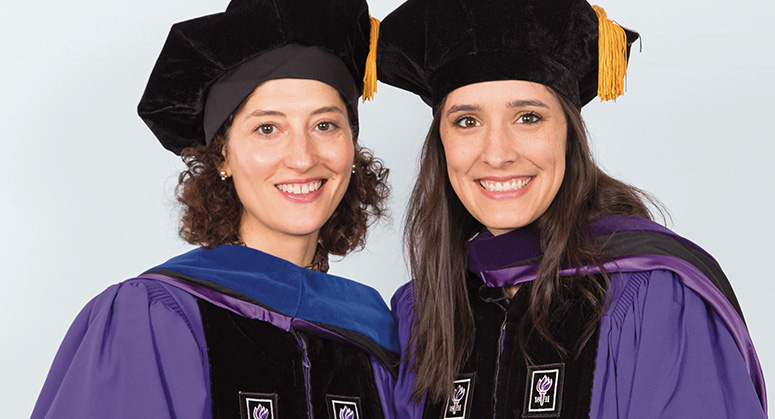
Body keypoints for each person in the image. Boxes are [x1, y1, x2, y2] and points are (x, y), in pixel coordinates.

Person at [376, 0, 767, 417]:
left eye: (528, 117)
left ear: (569, 134)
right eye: (467, 121)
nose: (496, 154)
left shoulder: (655, 298)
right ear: (440, 142)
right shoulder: (420, 311)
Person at [31, 1, 399, 418]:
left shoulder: (377, 333)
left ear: (351, 147)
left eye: (325, 125)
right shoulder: (153, 317)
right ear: (222, 156)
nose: (301, 157)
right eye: (267, 128)